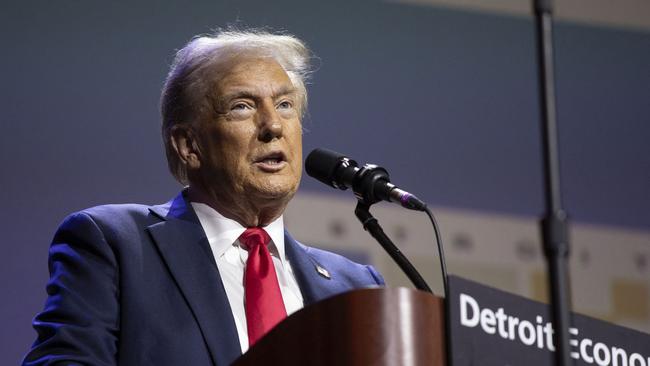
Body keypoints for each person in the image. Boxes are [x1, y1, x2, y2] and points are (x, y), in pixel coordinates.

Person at [23, 30, 384, 366]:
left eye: (285, 104)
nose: (274, 126)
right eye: (242, 106)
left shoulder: (355, 286)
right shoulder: (114, 244)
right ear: (189, 145)